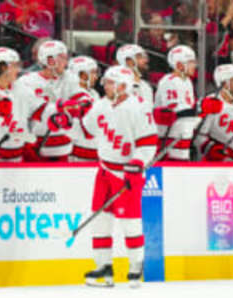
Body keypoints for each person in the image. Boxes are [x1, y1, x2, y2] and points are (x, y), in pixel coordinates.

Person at [79, 65, 157, 287]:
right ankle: (104, 268)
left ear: (123, 86)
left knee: (130, 222)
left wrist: (137, 162)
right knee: (100, 221)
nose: (105, 85)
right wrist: (70, 118)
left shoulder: (138, 108)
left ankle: (135, 266)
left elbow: (148, 143)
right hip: (104, 170)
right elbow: (86, 130)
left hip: (126, 173)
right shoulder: (101, 105)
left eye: (110, 82)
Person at [13, 40, 72, 162]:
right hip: (36, 148)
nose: (66, 63)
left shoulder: (70, 81)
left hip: (64, 148)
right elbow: (18, 117)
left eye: (66, 58)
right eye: (62, 58)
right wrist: (26, 141)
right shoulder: (26, 82)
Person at [63, 56, 100, 162]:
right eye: (93, 72)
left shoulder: (92, 93)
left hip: (90, 152)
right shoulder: (77, 95)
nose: (96, 77)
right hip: (81, 154)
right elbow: (90, 131)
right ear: (82, 75)